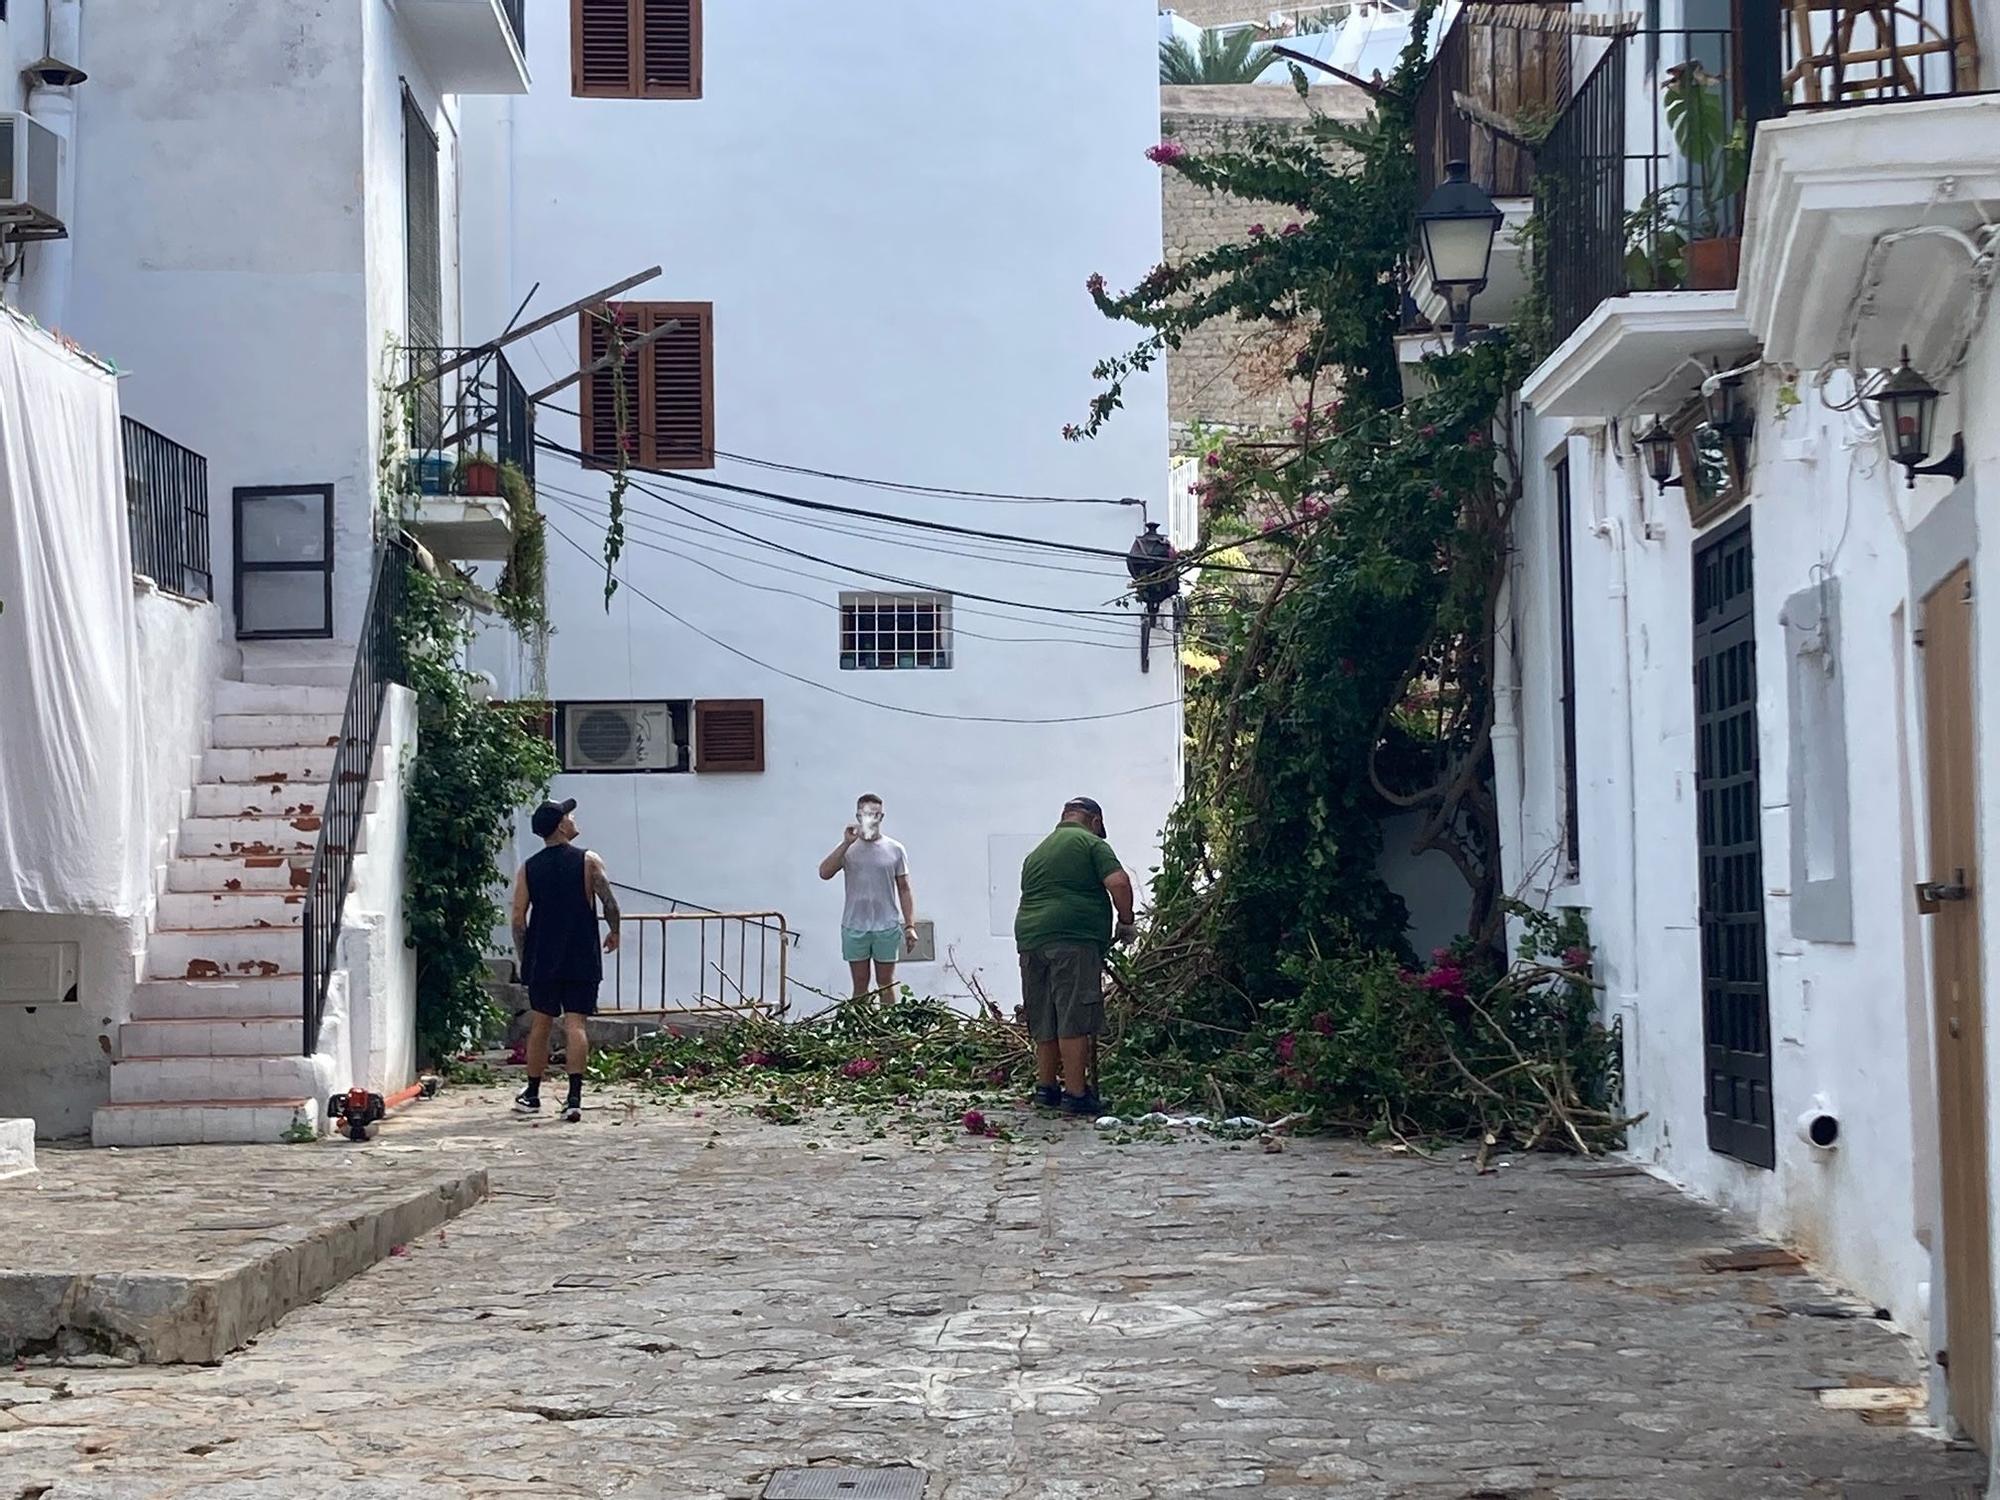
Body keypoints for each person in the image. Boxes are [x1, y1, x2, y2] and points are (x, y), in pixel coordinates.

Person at [1015, 796, 1136, 1117]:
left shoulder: (1037, 853)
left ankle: (1046, 1089)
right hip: (1073, 940)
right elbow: (1119, 883)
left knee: (1045, 1014)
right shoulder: (1091, 843)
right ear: (1095, 821)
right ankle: (1076, 1094)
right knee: (1073, 1013)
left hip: (1030, 939)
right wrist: (1126, 921)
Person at [510, 797, 620, 1122]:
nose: (573, 819)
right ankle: (573, 1098)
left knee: (541, 1023)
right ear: (561, 825)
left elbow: (518, 919)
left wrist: (525, 957)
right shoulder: (588, 861)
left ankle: (532, 1093)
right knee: (576, 1023)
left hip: (543, 955)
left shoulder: (528, 868)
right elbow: (609, 902)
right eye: (569, 816)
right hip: (581, 952)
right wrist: (614, 931)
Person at [817, 793, 918, 1001]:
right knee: (860, 984)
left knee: (885, 983)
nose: (870, 818)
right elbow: (824, 873)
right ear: (858, 815)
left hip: (886, 926)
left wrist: (910, 926)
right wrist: (845, 843)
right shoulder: (847, 848)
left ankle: (889, 1029)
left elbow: (904, 888)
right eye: (865, 814)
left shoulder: (895, 849)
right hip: (855, 925)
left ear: (881, 817)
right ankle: (861, 1030)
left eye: (875, 814)